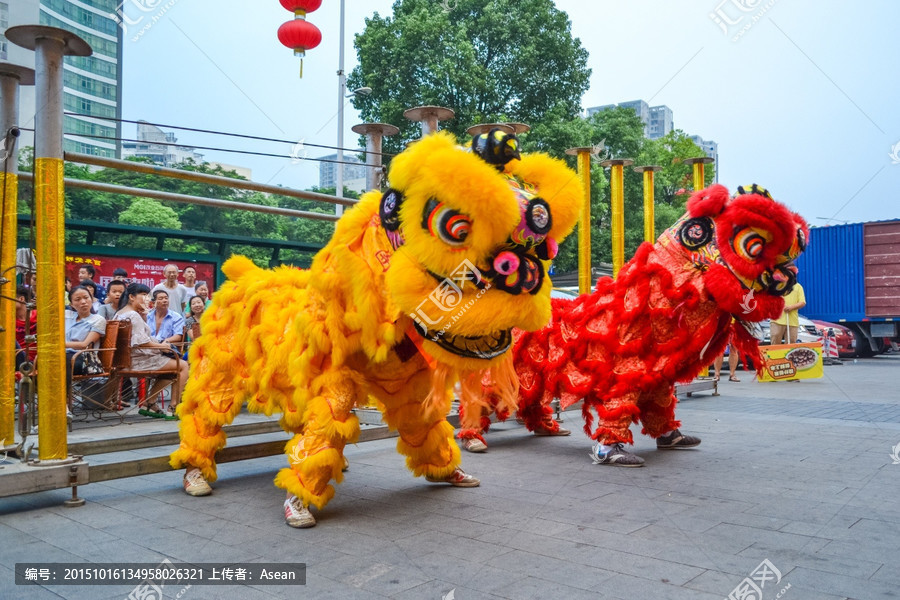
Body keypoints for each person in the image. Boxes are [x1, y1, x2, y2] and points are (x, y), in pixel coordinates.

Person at [116, 283, 189, 417]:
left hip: (128, 358)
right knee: (183, 365)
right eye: (143, 295)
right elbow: (141, 343)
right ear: (132, 297)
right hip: (137, 360)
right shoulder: (133, 315)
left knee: (172, 366)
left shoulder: (120, 313)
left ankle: (150, 403)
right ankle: (174, 407)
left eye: (147, 296)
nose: (147, 299)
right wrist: (162, 346)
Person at [65, 286, 107, 413]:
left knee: (64, 362)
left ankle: (64, 404)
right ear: (72, 304)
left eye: (86, 298)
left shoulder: (98, 320)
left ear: (91, 300)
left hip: (84, 358)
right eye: (78, 299)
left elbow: (85, 345)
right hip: (64, 355)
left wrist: (60, 344)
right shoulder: (66, 316)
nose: (83, 302)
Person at [14, 286, 37, 365]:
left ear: (21, 299)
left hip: (37, 359)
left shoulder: (39, 315)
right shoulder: (8, 321)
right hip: (17, 357)